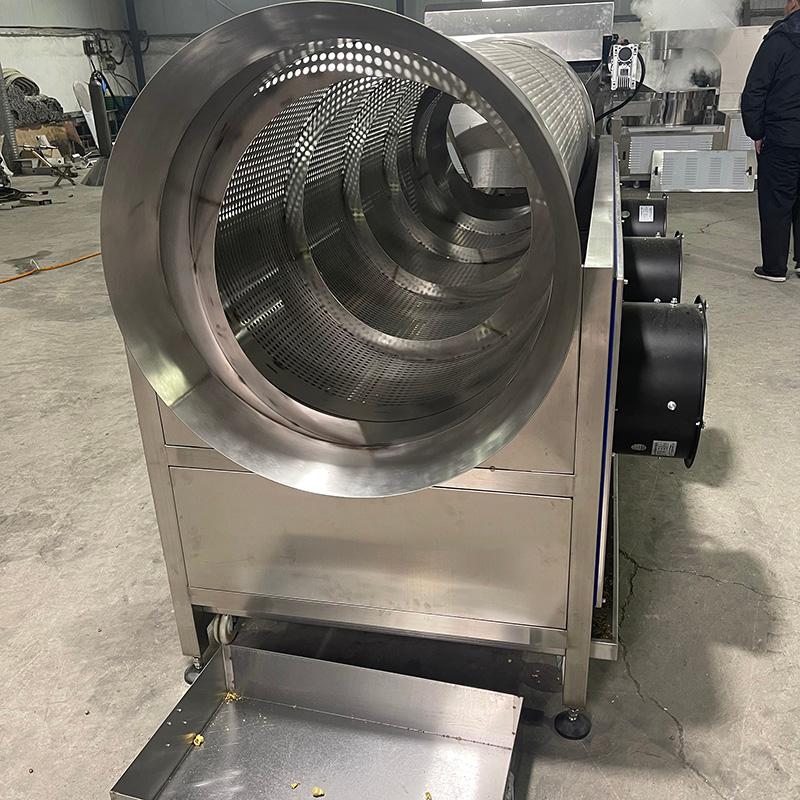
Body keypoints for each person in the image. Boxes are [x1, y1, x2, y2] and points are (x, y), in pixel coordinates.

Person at [742, 0, 800, 282]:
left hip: (782, 138)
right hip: (785, 135)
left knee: (777, 203)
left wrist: (756, 132)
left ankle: (775, 268)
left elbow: (755, 89)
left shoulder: (778, 40)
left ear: (794, 4)